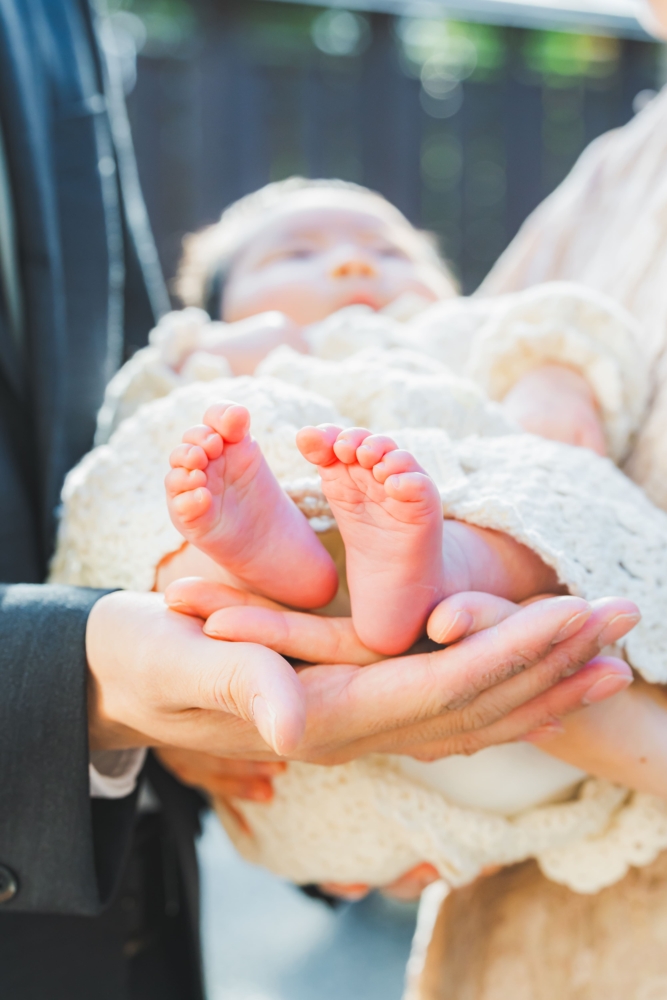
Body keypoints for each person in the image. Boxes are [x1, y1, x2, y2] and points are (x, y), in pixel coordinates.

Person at [0, 3, 624, 997]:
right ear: (211, 306)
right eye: (295, 257)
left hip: (486, 691)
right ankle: (298, 564)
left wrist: (554, 375)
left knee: (533, 499)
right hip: (299, 727)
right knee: (176, 465)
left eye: (387, 252)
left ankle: (380, 575)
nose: (347, 264)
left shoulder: (455, 345)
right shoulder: (225, 368)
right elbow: (122, 436)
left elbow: (564, 333)